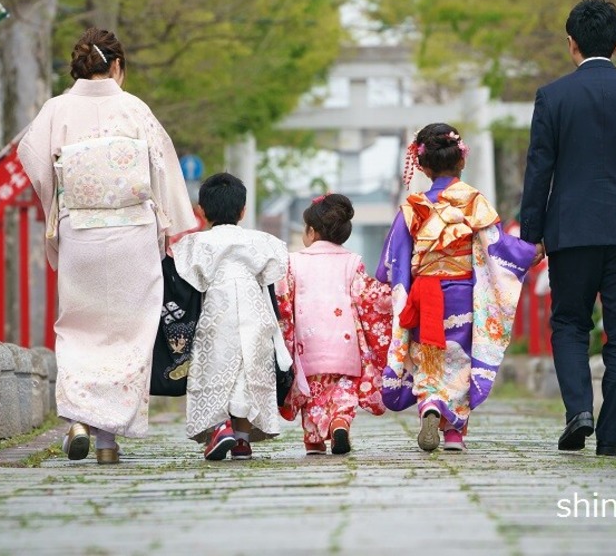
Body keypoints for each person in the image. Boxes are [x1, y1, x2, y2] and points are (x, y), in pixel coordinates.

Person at [18, 27, 196, 464]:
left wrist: (57, 206)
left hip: (81, 232)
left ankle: (79, 417)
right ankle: (107, 441)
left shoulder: (55, 109)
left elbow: (35, 162)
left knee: (80, 328)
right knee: (129, 334)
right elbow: (164, 169)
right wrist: (174, 227)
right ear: (116, 66)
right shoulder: (134, 108)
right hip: (132, 234)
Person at [519, 0, 616, 457]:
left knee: (569, 322)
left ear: (572, 44)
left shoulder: (553, 97)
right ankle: (611, 436)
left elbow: (538, 170)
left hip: (571, 232)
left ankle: (579, 412)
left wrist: (533, 234)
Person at [378, 123, 538, 452]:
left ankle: (430, 405)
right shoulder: (473, 201)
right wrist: (529, 252)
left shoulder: (412, 207)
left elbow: (391, 263)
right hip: (462, 294)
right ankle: (454, 434)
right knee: (460, 359)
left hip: (424, 292)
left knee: (428, 356)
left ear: (422, 166)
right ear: (462, 160)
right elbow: (497, 247)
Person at [173, 172, 290, 461]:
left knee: (215, 365)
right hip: (253, 305)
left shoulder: (197, 243)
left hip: (216, 305)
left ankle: (220, 427)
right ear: (243, 210)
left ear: (202, 210)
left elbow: (190, 281)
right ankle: (241, 440)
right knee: (249, 368)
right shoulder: (261, 241)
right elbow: (270, 276)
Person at [277, 194, 392, 455]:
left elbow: (283, 303)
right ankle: (340, 422)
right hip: (344, 343)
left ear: (312, 231)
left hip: (308, 346)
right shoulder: (352, 261)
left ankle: (314, 440)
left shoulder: (293, 262)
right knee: (342, 392)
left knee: (313, 395)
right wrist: (397, 295)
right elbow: (371, 298)